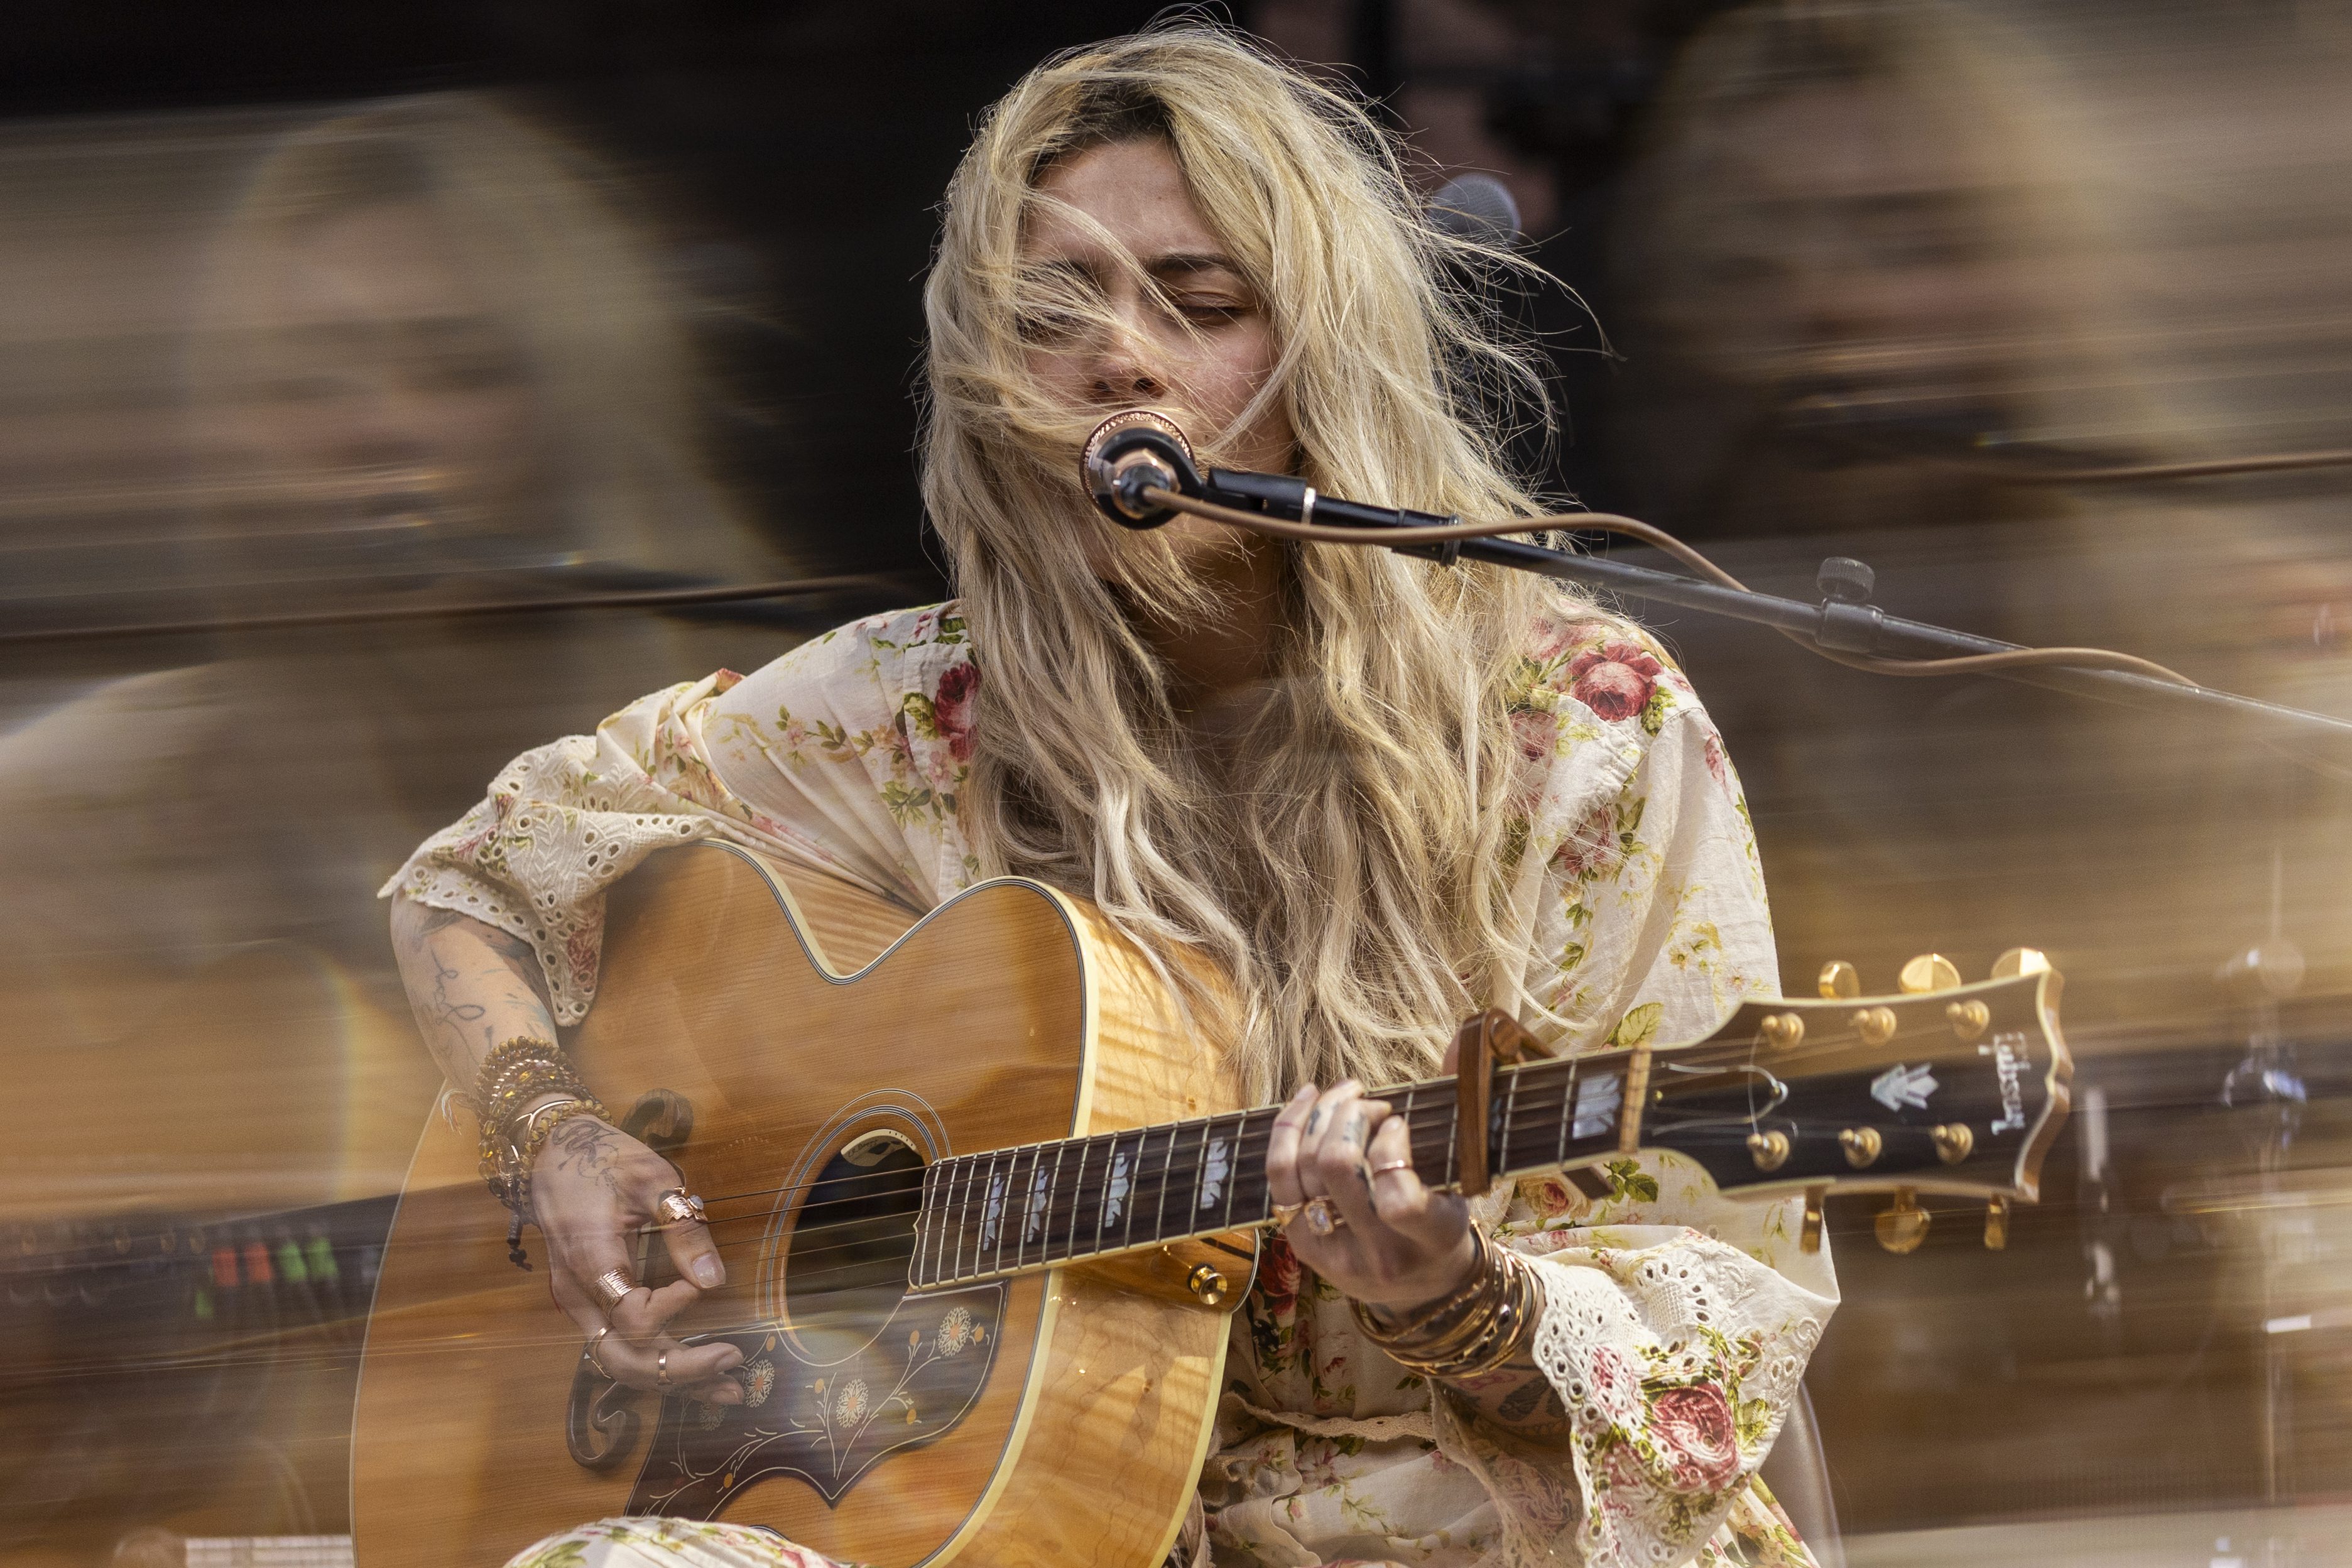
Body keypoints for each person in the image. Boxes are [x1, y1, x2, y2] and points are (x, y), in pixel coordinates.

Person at [385, 28, 1836, 1568]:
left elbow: (1717, 1296)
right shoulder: (898, 717)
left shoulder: (1573, 727)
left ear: (1319, 359)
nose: (1123, 358)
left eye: (1202, 303)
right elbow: (474, 881)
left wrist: (1455, 1297)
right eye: (1052, 313)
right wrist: (554, 1136)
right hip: (997, 1519)